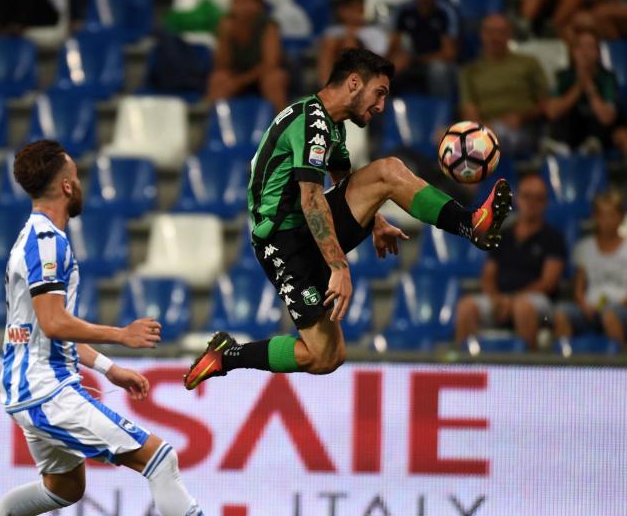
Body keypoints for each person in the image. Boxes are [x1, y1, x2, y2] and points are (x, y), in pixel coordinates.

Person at [0, 140, 281, 516]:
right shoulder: (46, 242)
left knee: (63, 487)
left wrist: (109, 368)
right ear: (68, 185)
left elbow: (40, 325)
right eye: (78, 175)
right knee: (159, 457)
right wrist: (122, 335)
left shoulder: (36, 236)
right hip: (45, 389)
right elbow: (54, 324)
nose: (82, 184)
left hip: (30, 386)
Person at [184, 48, 512, 389]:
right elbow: (311, 199)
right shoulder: (311, 122)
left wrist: (376, 220)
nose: (381, 106)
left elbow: (344, 179)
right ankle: (226, 357)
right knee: (325, 356)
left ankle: (471, 223)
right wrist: (339, 267)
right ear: (354, 82)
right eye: (379, 93)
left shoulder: (332, 125)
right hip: (283, 243)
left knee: (387, 172)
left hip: (303, 231)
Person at [454, 174, 567, 351]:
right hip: (500, 298)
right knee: (466, 306)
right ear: (518, 199)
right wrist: (497, 299)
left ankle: (526, 371)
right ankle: (466, 370)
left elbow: (548, 282)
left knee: (523, 307)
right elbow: (488, 275)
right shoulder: (503, 234)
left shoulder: (553, 238)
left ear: (545, 203)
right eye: (527, 196)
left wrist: (512, 300)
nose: (531, 203)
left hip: (536, 301)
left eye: (538, 199)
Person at [459, 14, 549, 157]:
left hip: (522, 128)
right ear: (482, 35)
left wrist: (522, 116)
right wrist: (483, 128)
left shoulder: (528, 63)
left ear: (509, 35)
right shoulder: (470, 71)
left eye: (500, 32)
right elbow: (468, 108)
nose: (495, 38)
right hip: (485, 128)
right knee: (441, 136)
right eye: (490, 32)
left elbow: (546, 103)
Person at [553, 191, 627, 348]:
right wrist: (583, 304)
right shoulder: (584, 247)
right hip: (590, 309)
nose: (607, 220)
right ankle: (565, 364)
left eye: (611, 215)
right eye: (602, 215)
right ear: (595, 217)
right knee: (561, 313)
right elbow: (579, 289)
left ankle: (620, 365)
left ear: (621, 217)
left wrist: (620, 304)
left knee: (610, 314)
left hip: (621, 308)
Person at [206, 0, 289, 112]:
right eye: (237, 1)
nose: (242, 6)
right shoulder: (226, 24)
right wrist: (225, 37)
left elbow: (270, 64)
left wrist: (239, 82)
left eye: (246, 1)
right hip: (235, 77)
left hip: (260, 77)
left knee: (274, 79)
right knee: (218, 79)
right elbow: (221, 65)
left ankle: (284, 126)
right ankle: (212, 128)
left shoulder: (269, 26)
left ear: (258, 4)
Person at [545, 28, 620, 153]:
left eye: (590, 47)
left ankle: (590, 146)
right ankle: (562, 146)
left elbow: (606, 117)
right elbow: (552, 112)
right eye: (580, 47)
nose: (584, 52)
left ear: (598, 52)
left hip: (597, 134)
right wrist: (580, 85)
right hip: (568, 132)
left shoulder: (607, 78)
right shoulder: (562, 76)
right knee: (568, 110)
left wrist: (588, 84)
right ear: (573, 52)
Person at [387, 0, 459, 100]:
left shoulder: (446, 12)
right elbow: (393, 46)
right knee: (389, 67)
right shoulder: (402, 11)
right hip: (409, 61)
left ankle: (441, 111)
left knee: (438, 69)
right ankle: (385, 112)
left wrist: (416, 59)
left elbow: (449, 54)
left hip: (436, 62)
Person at [317, 0, 390, 86]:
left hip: (367, 77)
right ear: (340, 10)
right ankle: (326, 87)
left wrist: (354, 39)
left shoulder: (375, 32)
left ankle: (349, 88)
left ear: (362, 9)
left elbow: (379, 60)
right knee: (332, 41)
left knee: (349, 42)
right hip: (335, 75)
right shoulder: (332, 32)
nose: (351, 12)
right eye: (347, 8)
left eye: (355, 7)